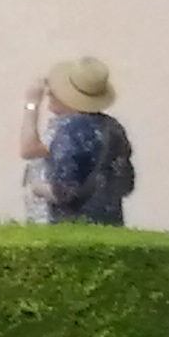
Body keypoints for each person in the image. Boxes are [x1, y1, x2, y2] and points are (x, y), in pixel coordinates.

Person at [20, 56, 133, 225]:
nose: (50, 93)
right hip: (109, 224)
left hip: (71, 226)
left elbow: (62, 190)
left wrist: (36, 188)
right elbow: (126, 184)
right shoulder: (112, 127)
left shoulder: (71, 129)